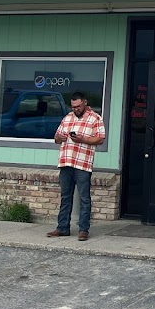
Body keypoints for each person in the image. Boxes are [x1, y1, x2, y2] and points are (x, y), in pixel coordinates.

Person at [48, 92, 106, 241]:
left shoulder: (95, 118)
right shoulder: (67, 118)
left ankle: (83, 229)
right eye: (73, 107)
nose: (76, 109)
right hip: (66, 161)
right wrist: (59, 138)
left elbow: (100, 139)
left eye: (78, 106)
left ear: (85, 102)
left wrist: (83, 139)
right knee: (65, 197)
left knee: (84, 198)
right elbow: (56, 138)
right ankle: (62, 228)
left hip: (83, 163)